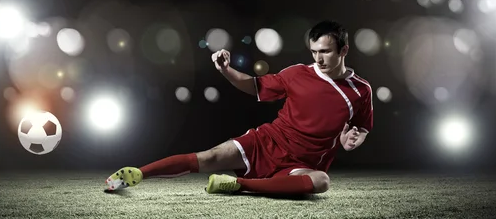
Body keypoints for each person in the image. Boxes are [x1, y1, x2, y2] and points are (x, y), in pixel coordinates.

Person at [105, 20, 373, 195]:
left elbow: (360, 128)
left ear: (343, 50)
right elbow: (253, 85)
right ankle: (138, 173)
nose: (318, 58)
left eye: (325, 51)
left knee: (321, 182)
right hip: (267, 143)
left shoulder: (361, 90)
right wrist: (225, 70)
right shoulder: (297, 73)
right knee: (208, 157)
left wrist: (353, 140)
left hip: (303, 164)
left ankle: (237, 184)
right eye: (314, 51)